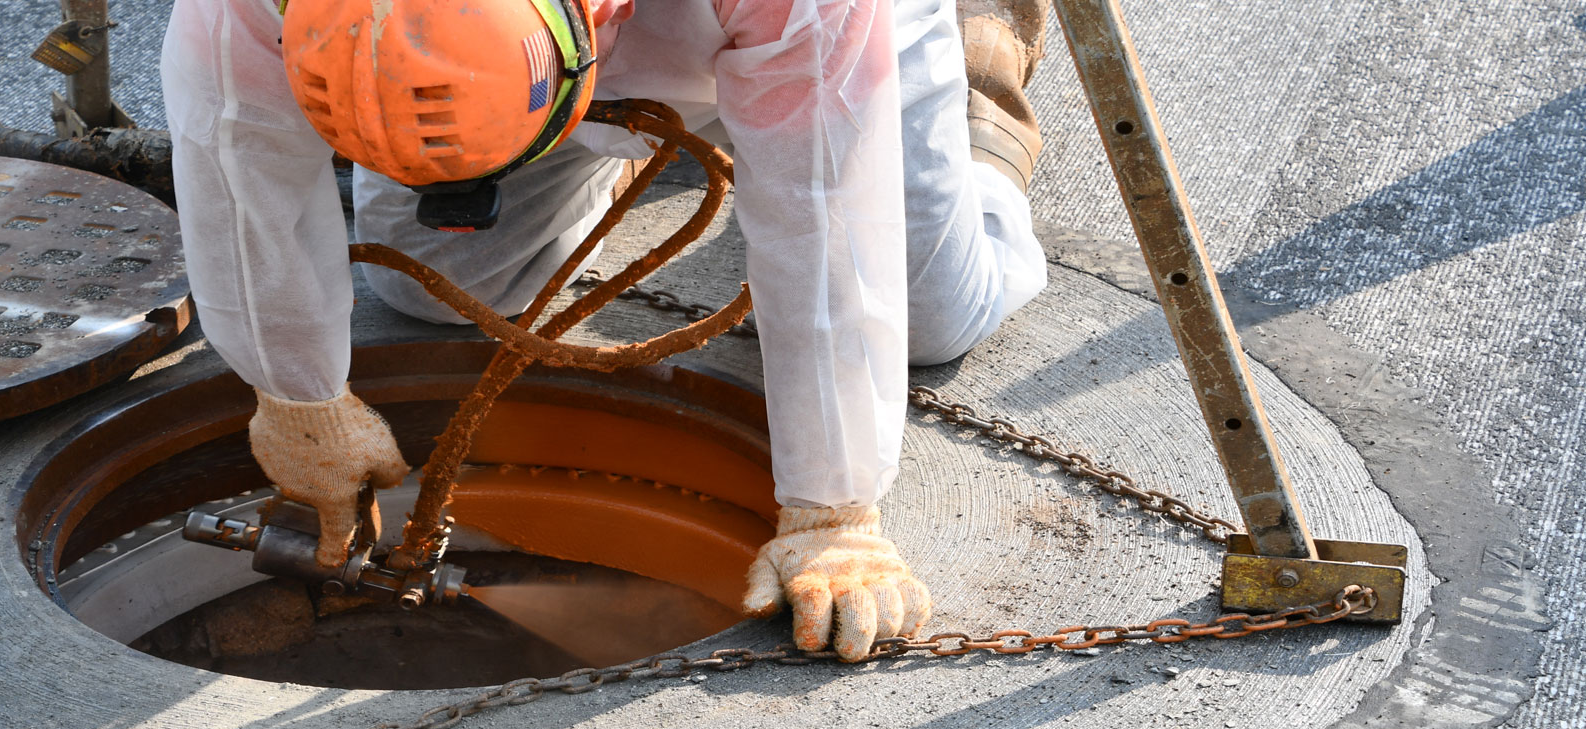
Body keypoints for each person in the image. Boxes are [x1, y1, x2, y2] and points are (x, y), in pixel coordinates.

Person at [160, 0, 1050, 662]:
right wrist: (293, 390)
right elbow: (233, 143)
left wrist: (834, 506)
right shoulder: (247, 7)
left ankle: (979, 91)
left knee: (931, 319)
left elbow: (825, 211)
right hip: (565, 68)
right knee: (441, 291)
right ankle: (649, 143)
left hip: (811, 36)